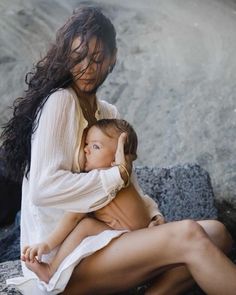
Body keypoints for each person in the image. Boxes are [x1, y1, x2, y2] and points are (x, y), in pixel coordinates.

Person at [1, 5, 235, 295]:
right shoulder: (60, 102)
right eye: (77, 58)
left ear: (113, 58)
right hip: (61, 257)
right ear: (65, 59)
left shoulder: (107, 112)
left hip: (107, 239)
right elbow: (44, 188)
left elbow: (127, 180)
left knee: (217, 233)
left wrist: (151, 215)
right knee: (189, 235)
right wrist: (113, 178)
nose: (87, 68)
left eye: (97, 59)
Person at [21, 118, 165, 284]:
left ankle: (51, 270)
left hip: (133, 245)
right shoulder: (123, 181)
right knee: (90, 223)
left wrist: (46, 245)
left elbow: (73, 217)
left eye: (96, 146)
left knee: (85, 225)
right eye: (87, 144)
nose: (86, 150)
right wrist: (155, 216)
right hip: (143, 238)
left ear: (117, 159)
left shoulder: (101, 181)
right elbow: (142, 201)